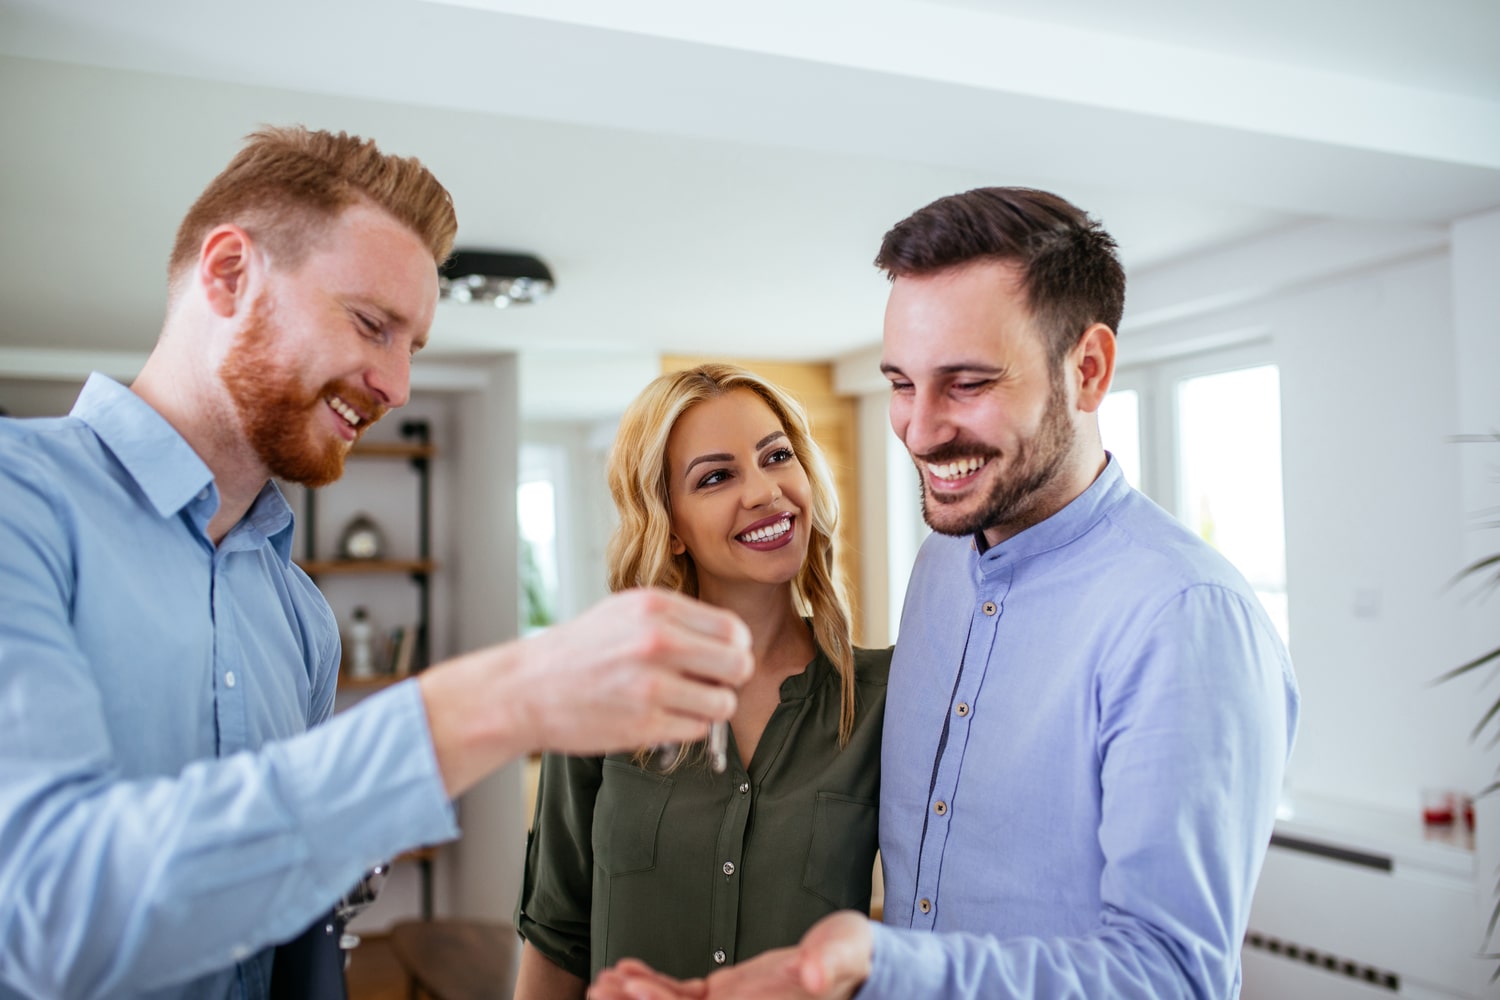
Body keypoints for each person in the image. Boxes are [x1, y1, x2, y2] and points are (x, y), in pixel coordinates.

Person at [0, 126, 752, 1000]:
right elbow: (41, 915)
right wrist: (502, 699)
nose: (396, 386)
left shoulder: (299, 616)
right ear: (229, 274)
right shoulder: (21, 502)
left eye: (412, 348)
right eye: (371, 325)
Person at [589, 187, 1300, 1000]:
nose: (920, 431)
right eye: (900, 382)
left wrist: (883, 967)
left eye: (965, 384)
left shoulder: (1184, 618)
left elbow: (1173, 978)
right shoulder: (942, 568)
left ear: (1088, 371)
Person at [514, 364, 890, 997]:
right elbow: (556, 939)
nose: (766, 492)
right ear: (671, 525)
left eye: (777, 456)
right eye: (716, 477)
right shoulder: (597, 697)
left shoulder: (885, 699)